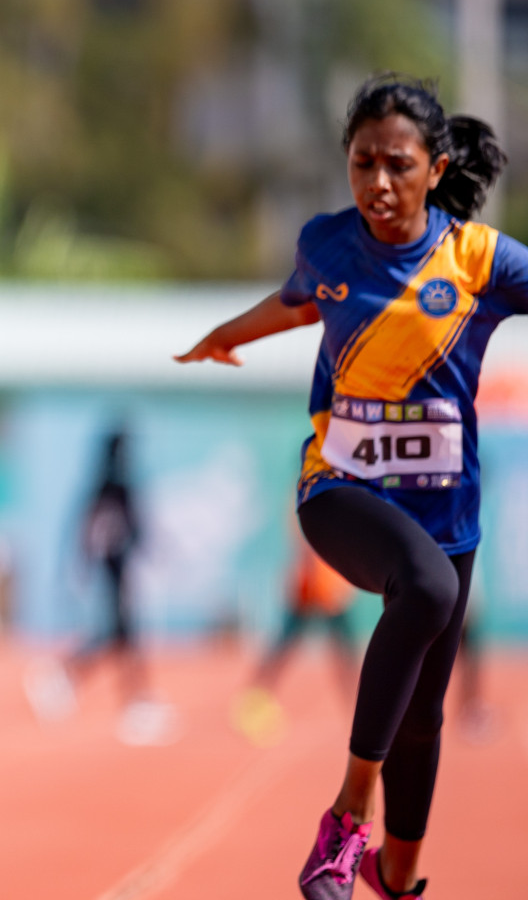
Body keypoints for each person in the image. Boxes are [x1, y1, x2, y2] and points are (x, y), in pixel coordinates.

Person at [176, 75, 523, 900]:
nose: (377, 183)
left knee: (421, 718)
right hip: (340, 489)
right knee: (430, 588)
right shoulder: (328, 244)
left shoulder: (478, 259)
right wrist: (227, 334)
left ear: (436, 169)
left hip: (445, 510)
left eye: (397, 165)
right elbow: (301, 303)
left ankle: (395, 877)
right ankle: (343, 818)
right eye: (362, 163)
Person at [24, 429, 177, 745]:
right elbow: (99, 530)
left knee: (120, 634)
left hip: (116, 570)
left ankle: (77, 681)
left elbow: (127, 529)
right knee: (121, 633)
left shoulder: (110, 487)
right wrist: (81, 566)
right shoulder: (114, 488)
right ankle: (131, 701)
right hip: (111, 571)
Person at [234, 533, 358, 747]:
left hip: (328, 587)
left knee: (344, 655)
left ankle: (359, 713)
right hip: (310, 587)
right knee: (285, 648)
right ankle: (252, 703)